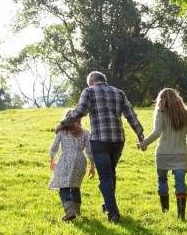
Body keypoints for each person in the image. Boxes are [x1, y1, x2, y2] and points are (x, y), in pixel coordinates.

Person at [57, 71, 144, 223]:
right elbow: (131, 115)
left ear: (91, 82)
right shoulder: (119, 92)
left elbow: (80, 111)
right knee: (110, 173)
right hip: (118, 139)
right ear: (104, 80)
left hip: (99, 140)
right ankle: (108, 204)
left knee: (105, 175)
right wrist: (140, 134)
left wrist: (63, 123)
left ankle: (113, 213)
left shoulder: (89, 91)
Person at [138, 88, 187, 220]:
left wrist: (144, 143)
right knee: (180, 183)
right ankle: (181, 215)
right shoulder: (186, 114)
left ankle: (165, 211)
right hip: (181, 155)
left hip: (163, 154)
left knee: (162, 180)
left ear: (162, 99)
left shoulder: (161, 113)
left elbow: (157, 132)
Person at [49, 110, 95, 221]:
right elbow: (89, 151)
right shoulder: (85, 132)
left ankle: (70, 211)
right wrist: (92, 166)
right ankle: (76, 211)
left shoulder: (62, 132)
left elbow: (54, 147)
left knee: (63, 185)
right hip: (80, 160)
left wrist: (52, 160)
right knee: (75, 185)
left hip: (65, 159)